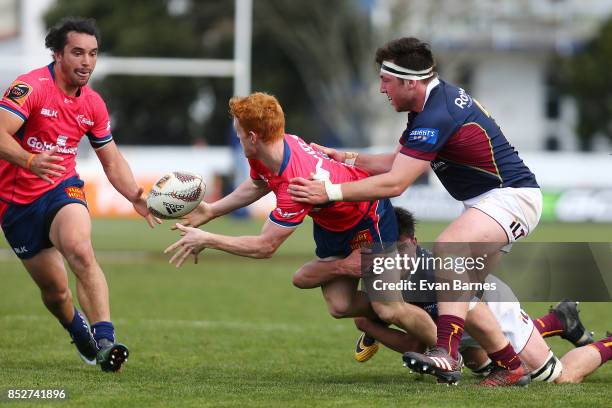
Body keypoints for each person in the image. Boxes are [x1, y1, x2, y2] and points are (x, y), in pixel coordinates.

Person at [287, 37, 542, 385]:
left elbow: (396, 183)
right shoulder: (428, 108)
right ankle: (510, 366)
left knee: (448, 249)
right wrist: (347, 158)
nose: (381, 88)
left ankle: (447, 356)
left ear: (410, 81)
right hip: (491, 202)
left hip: (510, 198)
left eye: (386, 80)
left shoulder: (437, 114)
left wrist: (330, 190)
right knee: (460, 295)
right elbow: (398, 161)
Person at [165, 92, 437, 347]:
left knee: (388, 307)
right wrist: (212, 210)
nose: (237, 138)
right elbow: (259, 184)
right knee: (339, 305)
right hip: (333, 227)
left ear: (252, 137)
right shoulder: (271, 148)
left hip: (368, 217)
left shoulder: (296, 184)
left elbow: (265, 246)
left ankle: (446, 350)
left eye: (238, 133)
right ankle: (402, 308)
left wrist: (208, 239)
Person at [0, 17, 159, 372]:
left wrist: (134, 194)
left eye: (93, 53)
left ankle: (106, 342)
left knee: (80, 249)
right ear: (57, 54)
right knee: (56, 295)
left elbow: (111, 158)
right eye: (77, 53)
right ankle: (78, 330)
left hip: (61, 188)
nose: (86, 61)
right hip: (16, 204)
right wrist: (29, 159)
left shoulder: (93, 104)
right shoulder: (31, 87)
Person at [294, 207, 609, 385]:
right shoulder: (381, 269)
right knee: (480, 362)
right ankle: (558, 320)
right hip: (465, 327)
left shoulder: (427, 273)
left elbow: (415, 343)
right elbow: (304, 279)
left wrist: (371, 327)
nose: (395, 258)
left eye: (401, 249)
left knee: (558, 378)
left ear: (414, 243)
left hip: (492, 307)